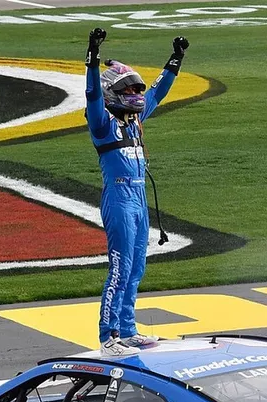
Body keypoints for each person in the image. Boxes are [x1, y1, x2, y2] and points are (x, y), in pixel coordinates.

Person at [84, 27, 189, 357]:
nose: (135, 93)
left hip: (139, 200)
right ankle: (108, 336)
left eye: (135, 88)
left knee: (136, 269)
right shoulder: (102, 123)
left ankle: (128, 330)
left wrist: (176, 59)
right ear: (113, 93)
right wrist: (92, 57)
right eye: (128, 88)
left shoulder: (135, 119)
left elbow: (159, 91)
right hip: (118, 200)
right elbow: (92, 95)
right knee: (119, 267)